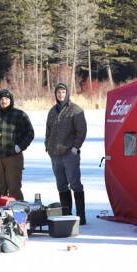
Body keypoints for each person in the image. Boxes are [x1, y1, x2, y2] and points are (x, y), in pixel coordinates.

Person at [45, 83, 88, 225]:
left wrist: (76, 147)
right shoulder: (52, 111)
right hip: (55, 154)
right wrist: (48, 146)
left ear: (67, 93)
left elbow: (81, 130)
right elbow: (48, 130)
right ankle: (66, 213)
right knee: (61, 185)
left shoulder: (75, 110)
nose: (61, 95)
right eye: (58, 92)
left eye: (63, 92)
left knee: (75, 183)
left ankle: (81, 215)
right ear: (55, 94)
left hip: (70, 153)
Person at [0, 89, 34, 202]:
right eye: (1, 99)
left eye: (6, 99)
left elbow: (30, 133)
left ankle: (19, 217)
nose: (4, 101)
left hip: (13, 156)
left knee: (14, 188)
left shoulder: (20, 115)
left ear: (11, 100)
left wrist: (20, 146)